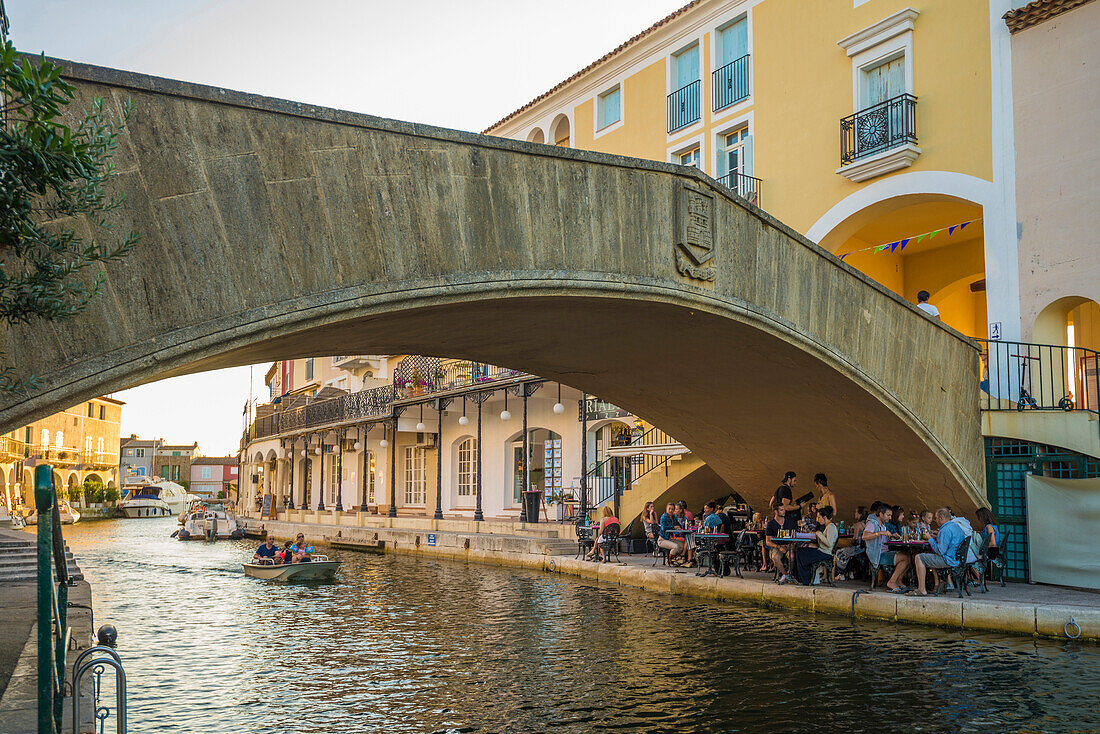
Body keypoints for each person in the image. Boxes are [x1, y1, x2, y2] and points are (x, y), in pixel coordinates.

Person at [911, 508, 976, 596]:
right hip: (957, 559)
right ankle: (937, 585)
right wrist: (937, 537)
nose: (936, 520)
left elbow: (940, 551)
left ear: (941, 518)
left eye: (936, 518)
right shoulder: (955, 526)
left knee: (919, 557)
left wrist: (929, 538)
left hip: (948, 560)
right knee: (929, 555)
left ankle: (922, 589)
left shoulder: (945, 529)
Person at [862, 502, 910, 592]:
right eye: (888, 515)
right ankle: (892, 582)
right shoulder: (872, 523)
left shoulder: (882, 525)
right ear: (880, 514)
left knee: (909, 556)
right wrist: (880, 533)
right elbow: (865, 536)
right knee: (906, 558)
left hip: (884, 552)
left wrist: (891, 536)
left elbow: (882, 539)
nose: (890, 518)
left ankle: (898, 580)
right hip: (878, 554)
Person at [794, 507, 838, 585]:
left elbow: (829, 543)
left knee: (800, 553)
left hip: (825, 553)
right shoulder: (827, 526)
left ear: (824, 517)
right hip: (821, 550)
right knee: (799, 550)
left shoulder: (831, 527)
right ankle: (802, 578)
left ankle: (805, 579)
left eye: (819, 517)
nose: (818, 519)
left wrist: (818, 534)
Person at [765, 507, 790, 584]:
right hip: (777, 546)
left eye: (784, 509)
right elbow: (767, 542)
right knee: (775, 557)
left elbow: (795, 535)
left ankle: (789, 573)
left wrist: (791, 544)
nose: (784, 511)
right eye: (782, 510)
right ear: (776, 511)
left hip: (789, 546)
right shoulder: (771, 524)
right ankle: (785, 575)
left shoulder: (790, 521)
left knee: (792, 556)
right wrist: (778, 547)